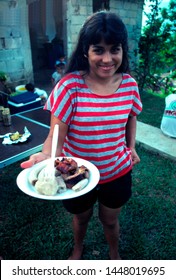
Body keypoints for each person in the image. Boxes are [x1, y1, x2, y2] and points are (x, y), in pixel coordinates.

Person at [21, 11, 142, 260]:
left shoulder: (130, 84)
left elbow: (132, 115)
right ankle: (78, 248)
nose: (107, 59)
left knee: (110, 221)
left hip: (117, 170)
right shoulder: (69, 87)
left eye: (114, 49)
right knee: (81, 217)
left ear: (122, 51)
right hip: (75, 174)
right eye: (99, 49)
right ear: (86, 50)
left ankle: (114, 253)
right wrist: (44, 157)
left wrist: (131, 146)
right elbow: (55, 138)